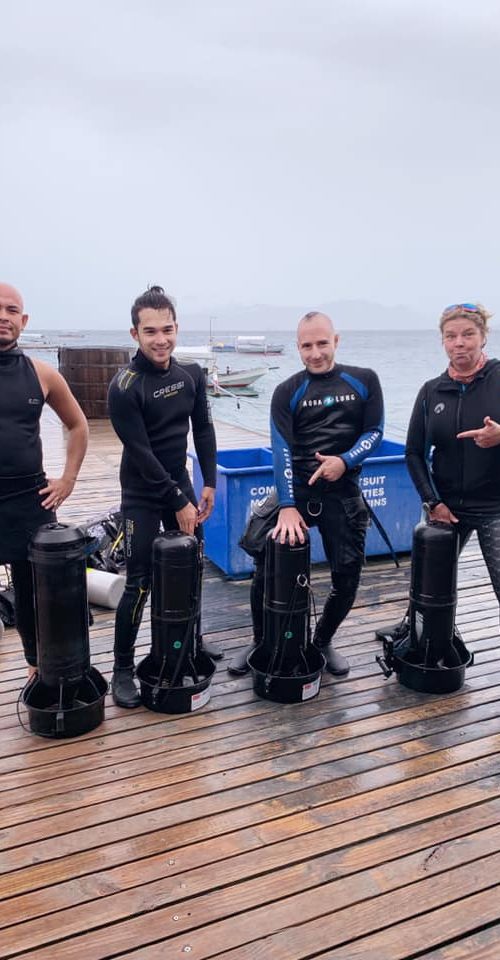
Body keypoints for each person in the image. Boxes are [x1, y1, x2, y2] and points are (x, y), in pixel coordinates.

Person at [229, 310, 384, 677]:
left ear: (336, 341)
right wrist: (286, 505)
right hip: (296, 487)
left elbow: (375, 432)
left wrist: (344, 461)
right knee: (263, 558)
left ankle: (322, 641)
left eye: (322, 343)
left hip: (342, 488)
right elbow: (280, 448)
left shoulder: (364, 380)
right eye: (307, 346)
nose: (315, 353)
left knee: (347, 573)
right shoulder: (288, 391)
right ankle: (260, 640)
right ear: (298, 347)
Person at [107, 285, 218, 708]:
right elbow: (141, 453)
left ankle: (193, 641)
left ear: (176, 328)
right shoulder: (124, 387)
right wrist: (178, 502)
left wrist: (208, 482)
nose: (160, 340)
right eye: (150, 331)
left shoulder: (190, 375)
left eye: (167, 330)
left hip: (182, 485)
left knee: (192, 567)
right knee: (139, 582)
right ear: (134, 333)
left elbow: (203, 429)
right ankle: (122, 668)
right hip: (142, 492)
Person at [0, 282, 89, 678]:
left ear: (23, 320)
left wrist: (68, 479)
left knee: (33, 594)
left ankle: (36, 664)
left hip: (29, 498)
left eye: (11, 310)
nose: (3, 317)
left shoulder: (41, 373)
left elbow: (78, 424)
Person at [405, 301, 500, 605]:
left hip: (494, 507)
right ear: (443, 341)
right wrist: (433, 501)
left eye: (468, 334)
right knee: (427, 590)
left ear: (483, 336)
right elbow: (414, 453)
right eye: (451, 336)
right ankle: (415, 629)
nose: (459, 343)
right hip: (445, 507)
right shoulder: (431, 391)